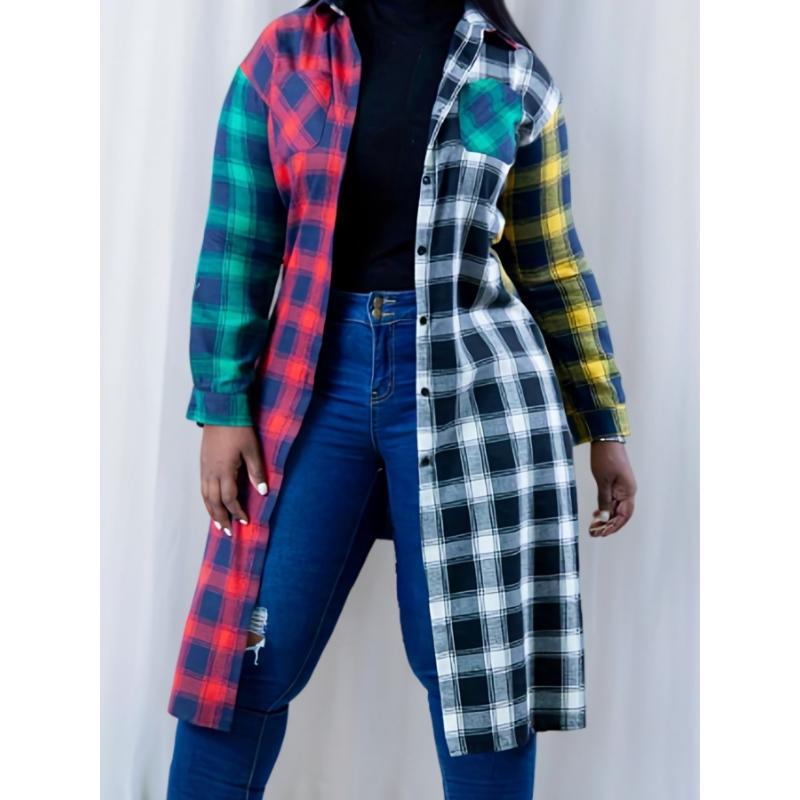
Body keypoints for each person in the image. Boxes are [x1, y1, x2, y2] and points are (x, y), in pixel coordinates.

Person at [166, 0, 638, 797]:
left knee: (477, 677)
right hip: (313, 385)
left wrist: (605, 424)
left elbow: (551, 262)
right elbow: (239, 236)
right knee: (245, 658)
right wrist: (222, 403)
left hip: (477, 398)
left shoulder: (509, 75)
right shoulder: (288, 55)